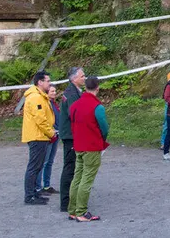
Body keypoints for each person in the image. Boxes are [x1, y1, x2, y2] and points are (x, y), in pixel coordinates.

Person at [67, 75, 110, 222]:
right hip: (91, 146)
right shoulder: (98, 107)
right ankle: (81, 211)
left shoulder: (74, 106)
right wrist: (102, 140)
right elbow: (104, 128)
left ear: (85, 87)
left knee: (77, 177)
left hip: (78, 145)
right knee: (87, 179)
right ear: (97, 88)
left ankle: (72, 209)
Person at [20, 71, 57, 206]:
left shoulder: (40, 96)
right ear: (40, 82)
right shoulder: (36, 98)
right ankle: (29, 196)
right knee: (34, 166)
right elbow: (40, 120)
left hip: (40, 136)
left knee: (37, 166)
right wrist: (51, 133)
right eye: (47, 81)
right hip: (37, 136)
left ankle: (34, 192)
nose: (49, 83)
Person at [52, 67, 86, 206]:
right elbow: (75, 114)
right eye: (82, 76)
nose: (85, 78)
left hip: (73, 134)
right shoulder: (71, 94)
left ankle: (71, 198)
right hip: (71, 136)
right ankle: (65, 202)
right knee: (70, 167)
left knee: (74, 167)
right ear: (74, 78)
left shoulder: (76, 92)